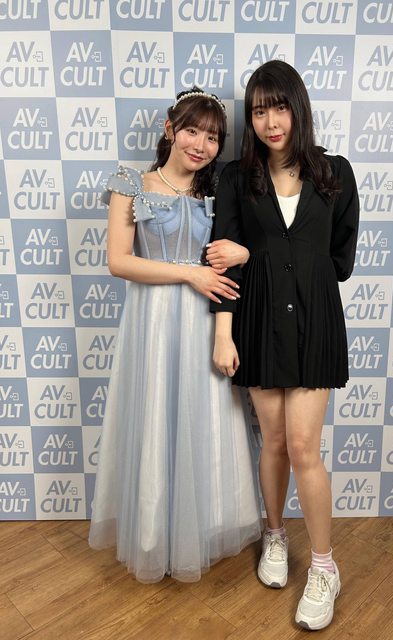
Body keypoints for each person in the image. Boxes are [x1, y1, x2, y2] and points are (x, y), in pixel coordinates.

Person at [89, 87, 262, 583]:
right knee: (156, 420)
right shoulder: (131, 184)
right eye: (191, 131)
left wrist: (241, 257)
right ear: (169, 129)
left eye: (212, 137)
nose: (201, 145)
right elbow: (119, 261)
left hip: (205, 323)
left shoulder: (218, 195)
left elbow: (245, 251)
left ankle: (198, 532)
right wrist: (190, 274)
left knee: (204, 423)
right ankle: (152, 536)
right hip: (153, 326)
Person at [209, 61, 359, 630]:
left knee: (303, 447)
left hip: (316, 324)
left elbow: (336, 262)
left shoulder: (335, 173)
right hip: (257, 323)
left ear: (298, 108)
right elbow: (222, 260)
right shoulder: (236, 178)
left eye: (279, 107)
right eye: (259, 111)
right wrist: (224, 333)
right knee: (272, 441)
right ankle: (274, 535)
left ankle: (323, 567)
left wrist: (258, 254)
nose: (271, 122)